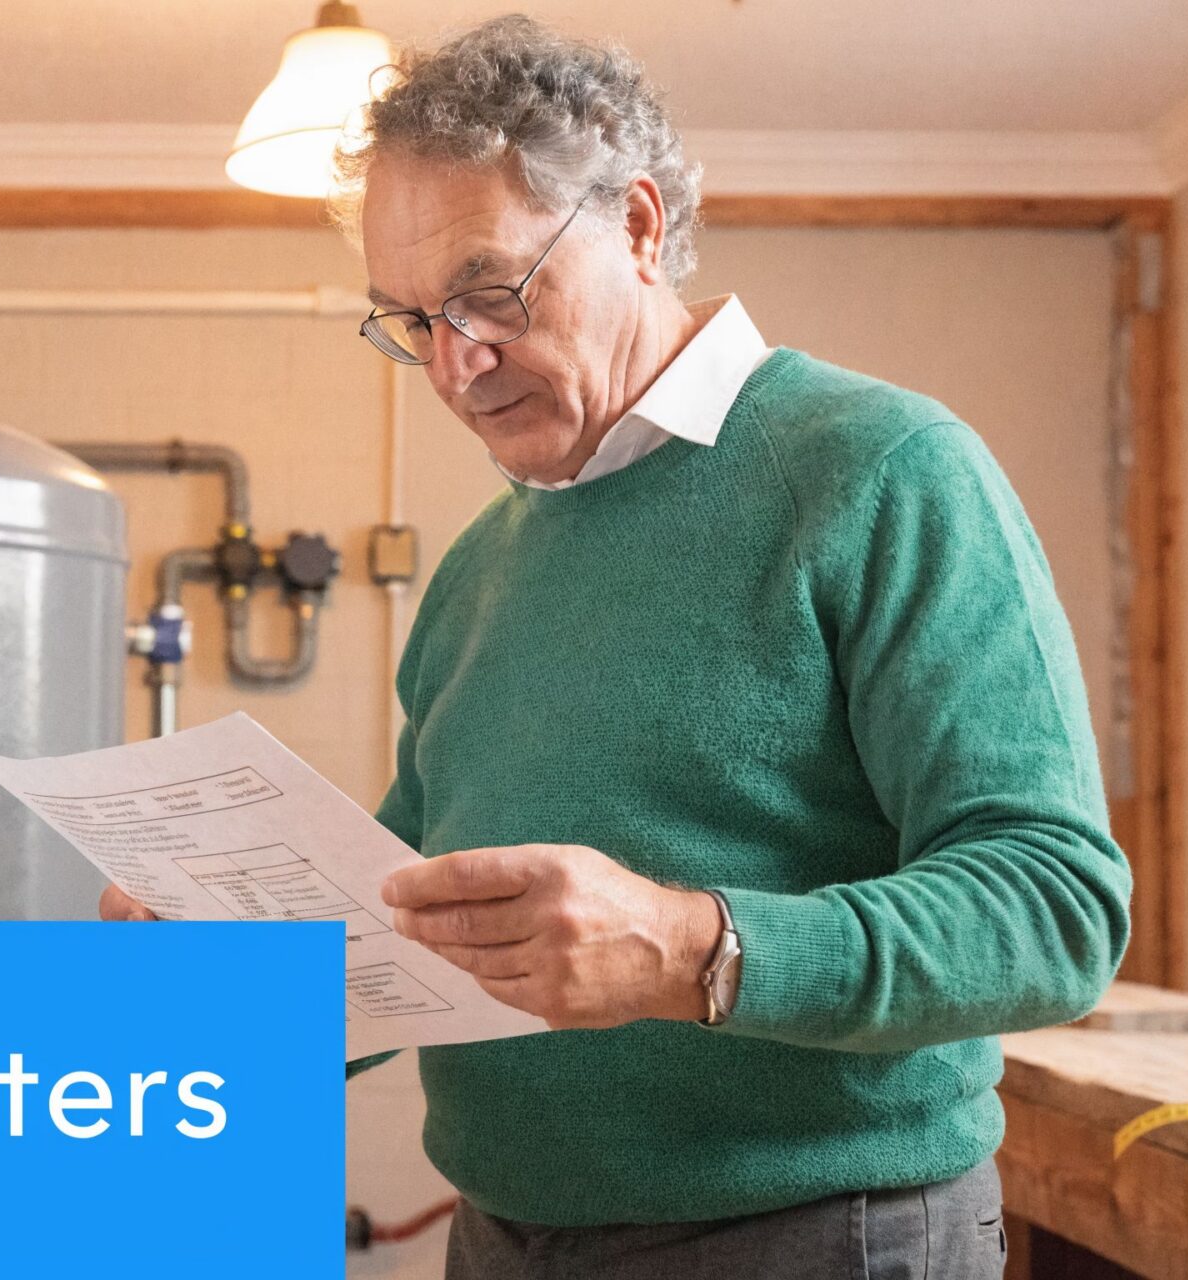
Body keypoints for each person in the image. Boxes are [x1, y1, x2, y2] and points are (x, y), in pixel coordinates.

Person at [104, 15, 1129, 1277]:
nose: (453, 364)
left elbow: (1055, 908)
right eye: (411, 320)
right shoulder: (483, 563)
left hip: (816, 1235)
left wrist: (693, 947)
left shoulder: (881, 470)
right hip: (502, 1237)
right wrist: (239, 982)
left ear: (637, 226)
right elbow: (414, 935)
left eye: (489, 292)